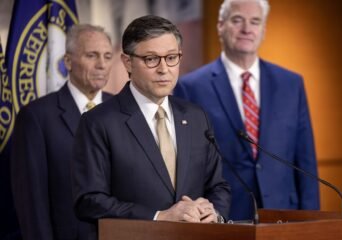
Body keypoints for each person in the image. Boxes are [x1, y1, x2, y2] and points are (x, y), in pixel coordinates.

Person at [71, 15, 230, 237]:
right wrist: (159, 216)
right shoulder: (99, 122)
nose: (164, 69)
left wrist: (214, 213)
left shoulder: (196, 117)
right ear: (127, 62)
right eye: (151, 59)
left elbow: (217, 186)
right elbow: (89, 200)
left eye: (172, 57)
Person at [174, 0, 320, 221]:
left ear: (263, 30)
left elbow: (305, 160)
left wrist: (312, 222)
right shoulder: (191, 87)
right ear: (220, 25)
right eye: (237, 20)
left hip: (284, 215)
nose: (246, 29)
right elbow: (187, 165)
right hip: (223, 216)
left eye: (255, 22)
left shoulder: (291, 84)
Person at [10, 24, 114, 240]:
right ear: (68, 61)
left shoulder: (123, 110)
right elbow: (32, 202)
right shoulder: (37, 117)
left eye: (107, 56)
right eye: (91, 55)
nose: (102, 65)